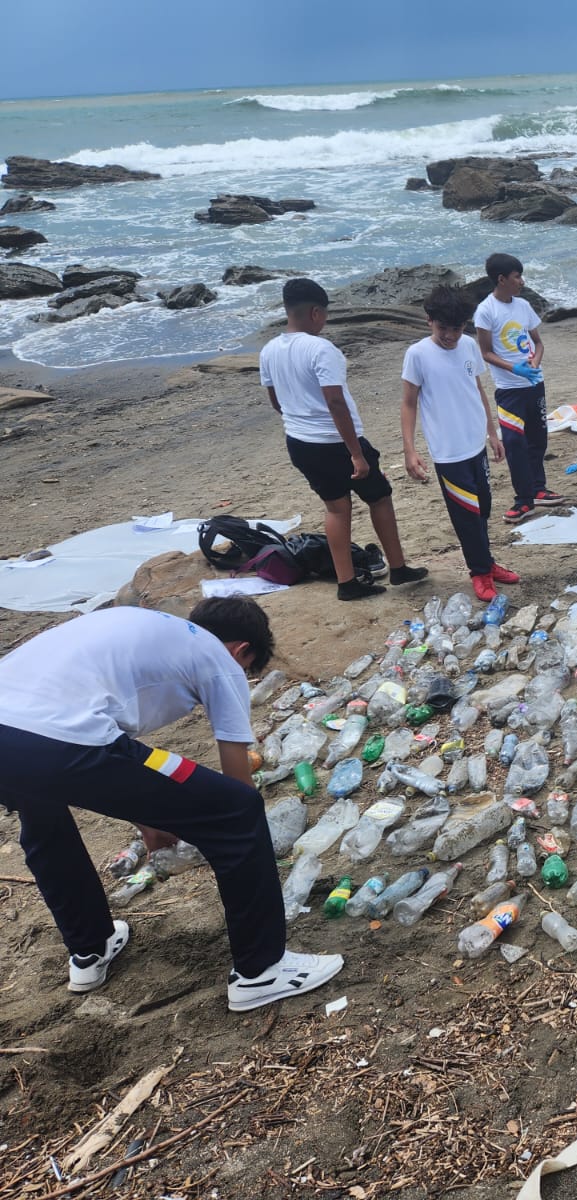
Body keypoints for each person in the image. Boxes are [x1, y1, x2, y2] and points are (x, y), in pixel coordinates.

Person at [0, 599, 344, 1012]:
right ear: (243, 651)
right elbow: (235, 773)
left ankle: (90, 948)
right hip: (60, 738)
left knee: (44, 820)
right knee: (237, 809)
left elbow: (118, 753)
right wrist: (246, 838)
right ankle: (262, 970)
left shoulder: (138, 626)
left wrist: (152, 816)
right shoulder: (219, 658)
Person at [259, 278, 429, 601]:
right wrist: (356, 454)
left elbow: (275, 400)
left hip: (298, 441)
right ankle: (398, 567)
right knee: (379, 497)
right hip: (334, 442)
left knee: (336, 509)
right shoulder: (322, 350)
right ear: (315, 313)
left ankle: (347, 582)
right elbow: (335, 402)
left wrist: (298, 419)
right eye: (323, 315)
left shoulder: (269, 350)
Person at [401, 286, 518, 603]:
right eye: (443, 328)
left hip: (475, 443)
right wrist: (410, 450)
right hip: (448, 452)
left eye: (457, 327)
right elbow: (409, 403)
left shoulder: (468, 345)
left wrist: (493, 433)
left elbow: (477, 387)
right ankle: (479, 572)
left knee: (482, 508)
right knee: (466, 515)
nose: (451, 335)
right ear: (429, 321)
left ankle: (488, 563)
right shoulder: (418, 355)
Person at [473, 253, 566, 523]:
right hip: (509, 389)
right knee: (514, 443)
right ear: (501, 279)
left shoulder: (523, 306)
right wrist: (515, 369)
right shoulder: (486, 311)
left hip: (534, 386)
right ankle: (523, 500)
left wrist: (534, 363)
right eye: (516, 277)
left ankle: (538, 489)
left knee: (538, 439)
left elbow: (538, 342)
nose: (521, 282)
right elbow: (486, 353)